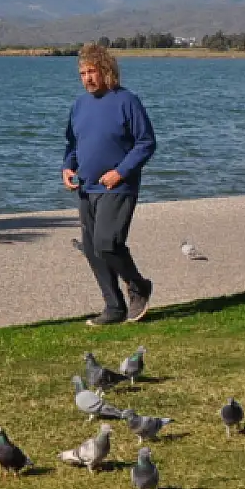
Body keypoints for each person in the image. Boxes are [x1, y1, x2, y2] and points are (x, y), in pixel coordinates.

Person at [63, 44, 156, 325]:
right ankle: (113, 307)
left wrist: (120, 172)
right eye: (82, 73)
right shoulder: (79, 105)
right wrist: (68, 166)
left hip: (118, 187)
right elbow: (72, 144)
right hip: (86, 188)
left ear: (106, 71)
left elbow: (146, 143)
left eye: (92, 71)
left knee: (107, 243)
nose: (87, 78)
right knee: (92, 249)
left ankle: (138, 285)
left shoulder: (127, 101)